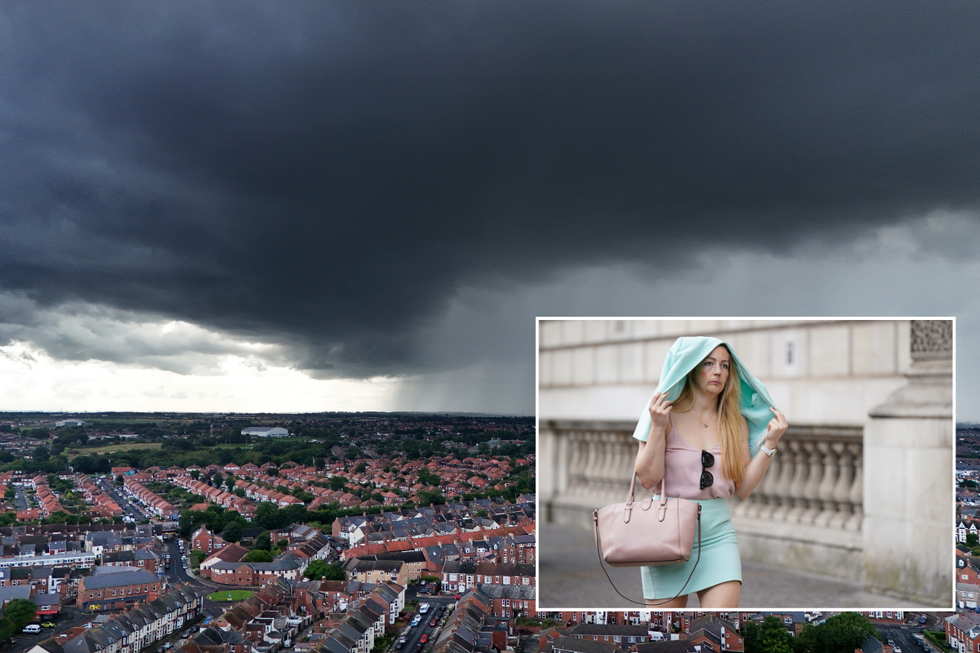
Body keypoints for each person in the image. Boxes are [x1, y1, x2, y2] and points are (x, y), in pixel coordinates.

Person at [632, 336, 788, 608]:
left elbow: (743, 489)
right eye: (709, 363)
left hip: (718, 537)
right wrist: (657, 428)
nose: (718, 371)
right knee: (667, 638)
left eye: (725, 365)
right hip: (664, 534)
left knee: (721, 626)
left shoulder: (735, 422)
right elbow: (647, 479)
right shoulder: (660, 414)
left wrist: (770, 445)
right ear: (691, 368)